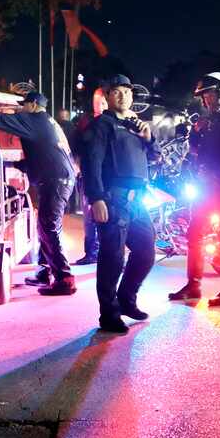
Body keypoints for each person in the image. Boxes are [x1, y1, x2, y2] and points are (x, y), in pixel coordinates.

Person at [0, 92, 77, 295]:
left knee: (48, 228)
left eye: (23, 106)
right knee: (46, 227)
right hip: (58, 178)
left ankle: (64, 279)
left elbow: (2, 121)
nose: (20, 110)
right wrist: (12, 164)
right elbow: (40, 156)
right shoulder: (47, 122)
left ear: (32, 105)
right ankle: (44, 271)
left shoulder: (35, 119)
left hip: (56, 180)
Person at [81, 75, 159, 334]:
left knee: (147, 251)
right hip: (114, 199)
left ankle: (127, 300)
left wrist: (148, 138)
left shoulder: (135, 125)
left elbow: (155, 158)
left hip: (138, 201)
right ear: (107, 97)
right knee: (112, 258)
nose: (123, 96)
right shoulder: (101, 125)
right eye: (116, 92)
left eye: (127, 91)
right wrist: (96, 198)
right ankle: (109, 314)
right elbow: (91, 163)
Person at [168, 72, 220, 306]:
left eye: (210, 94)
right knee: (194, 234)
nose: (206, 100)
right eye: (204, 96)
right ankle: (193, 285)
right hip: (204, 185)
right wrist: (195, 134)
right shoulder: (205, 122)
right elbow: (195, 153)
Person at [71, 89, 109, 266]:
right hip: (87, 176)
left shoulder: (112, 122)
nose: (99, 106)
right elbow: (76, 145)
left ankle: (109, 253)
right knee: (89, 217)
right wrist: (77, 164)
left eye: (102, 102)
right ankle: (91, 252)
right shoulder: (86, 122)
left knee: (110, 218)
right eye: (96, 102)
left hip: (108, 178)